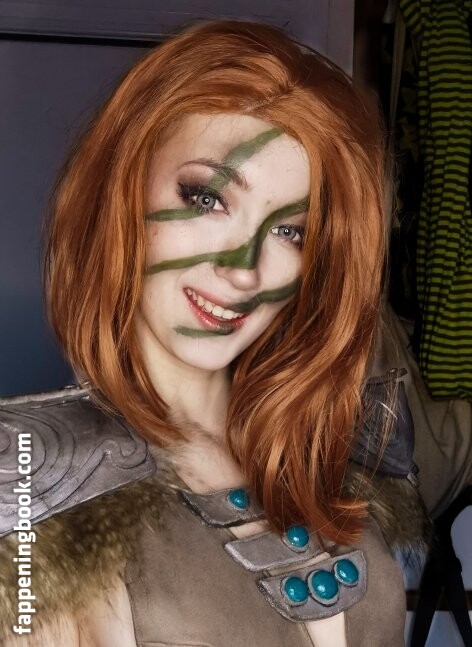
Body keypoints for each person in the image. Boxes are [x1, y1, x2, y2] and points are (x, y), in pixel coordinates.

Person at [0, 20, 427, 646]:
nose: (244, 268)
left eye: (291, 231)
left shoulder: (343, 441)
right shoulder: (33, 482)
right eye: (207, 198)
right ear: (123, 188)